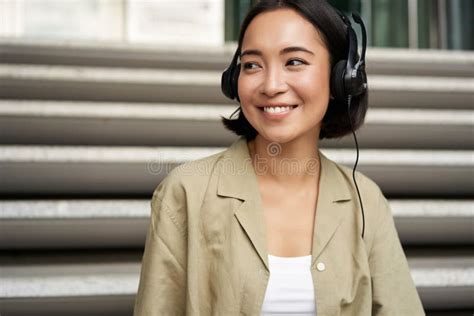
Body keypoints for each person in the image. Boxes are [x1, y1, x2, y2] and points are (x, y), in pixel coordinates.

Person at [133, 0, 425, 315]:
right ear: (234, 80)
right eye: (252, 65)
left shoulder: (366, 201)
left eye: (294, 61)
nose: (271, 86)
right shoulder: (185, 193)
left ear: (342, 78)